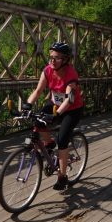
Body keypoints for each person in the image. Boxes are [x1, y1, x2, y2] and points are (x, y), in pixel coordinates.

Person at [23, 41, 84, 191]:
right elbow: (38, 91)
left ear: (65, 60)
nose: (52, 60)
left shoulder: (71, 74)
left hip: (72, 109)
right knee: (38, 122)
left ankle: (62, 177)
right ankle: (49, 143)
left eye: (56, 58)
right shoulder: (48, 70)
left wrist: (57, 114)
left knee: (62, 140)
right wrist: (27, 104)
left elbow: (69, 99)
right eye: (50, 57)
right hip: (55, 104)